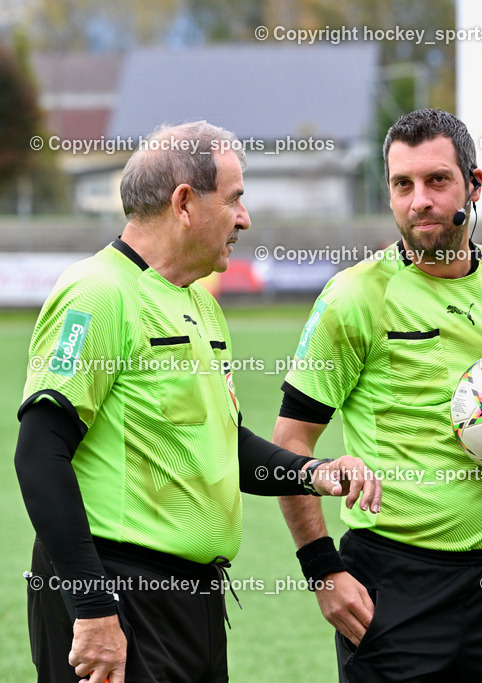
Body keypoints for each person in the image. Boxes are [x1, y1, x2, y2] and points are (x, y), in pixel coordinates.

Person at [15, 121, 381, 683]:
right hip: (119, 596)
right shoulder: (96, 294)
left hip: (194, 604)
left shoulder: (201, 306)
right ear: (184, 203)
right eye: (234, 199)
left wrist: (315, 472)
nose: (245, 218)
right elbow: (39, 455)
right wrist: (91, 610)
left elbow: (227, 449)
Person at [274, 108, 482, 682]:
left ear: (474, 184)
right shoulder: (353, 297)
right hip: (392, 579)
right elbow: (291, 442)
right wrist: (321, 570)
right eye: (402, 184)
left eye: (437, 180)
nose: (419, 201)